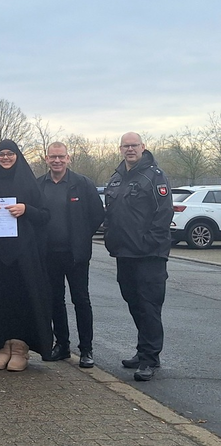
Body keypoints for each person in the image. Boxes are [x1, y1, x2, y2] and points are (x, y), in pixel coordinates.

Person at [0, 140, 52, 372]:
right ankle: (2, 346)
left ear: (17, 156)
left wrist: (26, 209)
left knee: (22, 298)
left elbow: (45, 215)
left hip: (24, 255)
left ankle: (19, 348)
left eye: (10, 154)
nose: (6, 158)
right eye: (1, 154)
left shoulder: (29, 184)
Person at [104, 132, 173, 382]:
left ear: (143, 147)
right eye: (126, 145)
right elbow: (111, 214)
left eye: (134, 145)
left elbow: (163, 214)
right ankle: (142, 350)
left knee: (149, 306)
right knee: (133, 303)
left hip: (149, 256)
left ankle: (150, 359)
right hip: (124, 254)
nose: (130, 149)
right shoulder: (116, 178)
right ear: (120, 148)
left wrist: (149, 244)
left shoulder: (154, 176)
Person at [37, 142, 105, 369]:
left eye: (61, 157)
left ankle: (86, 349)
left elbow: (97, 214)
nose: (57, 161)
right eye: (52, 157)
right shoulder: (39, 185)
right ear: (46, 159)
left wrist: (82, 236)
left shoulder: (82, 184)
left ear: (68, 158)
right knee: (55, 301)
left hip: (76, 255)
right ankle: (62, 345)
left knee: (81, 301)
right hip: (49, 254)